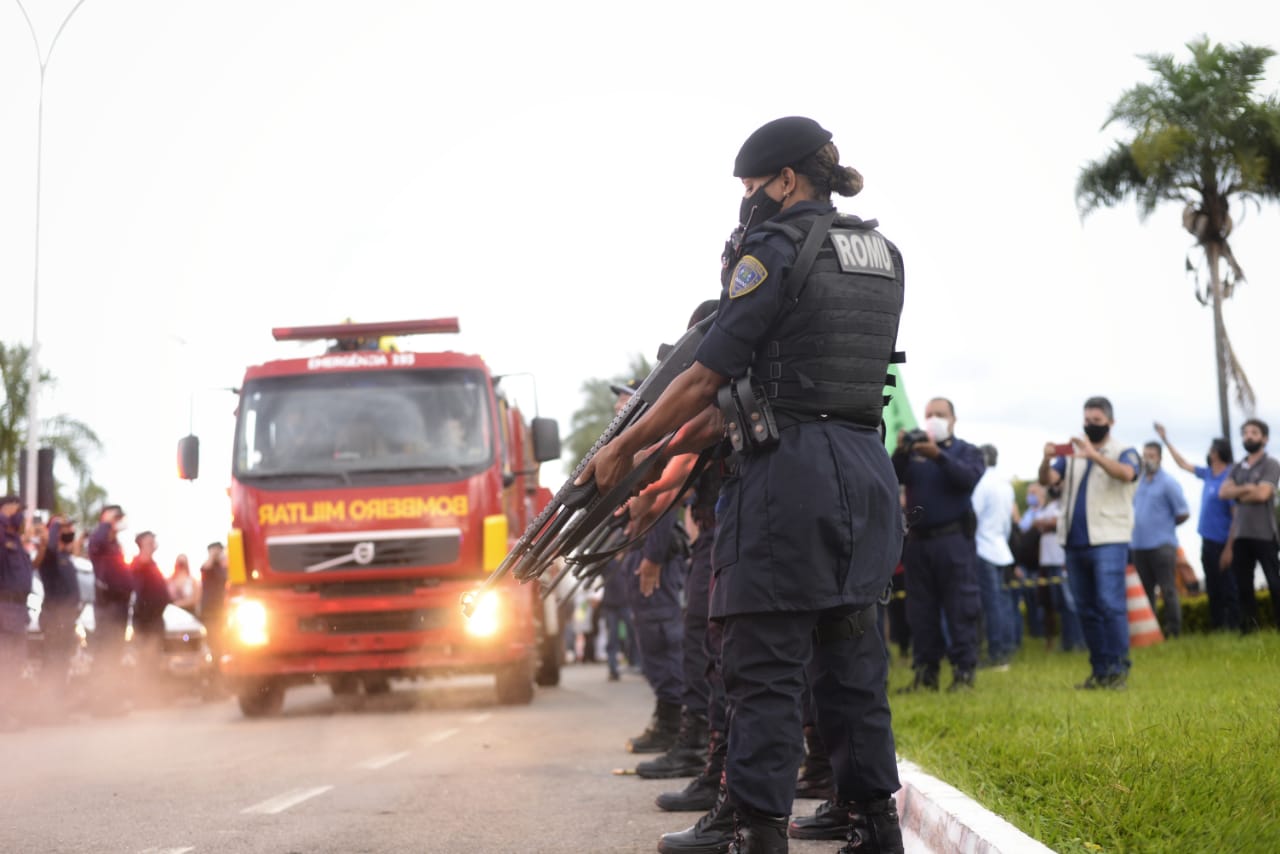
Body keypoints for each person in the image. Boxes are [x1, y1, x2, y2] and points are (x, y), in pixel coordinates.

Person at [586, 116, 906, 854]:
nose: (748, 200)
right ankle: (873, 823)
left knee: (762, 661)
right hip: (864, 469)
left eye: (752, 186)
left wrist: (627, 446)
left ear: (787, 179)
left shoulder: (772, 248)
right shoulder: (882, 254)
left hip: (788, 476)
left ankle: (756, 831)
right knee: (852, 662)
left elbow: (706, 376)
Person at [1039, 397, 1140, 690]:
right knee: (1086, 608)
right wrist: (1046, 458)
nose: (1089, 425)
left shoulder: (1124, 451)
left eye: (1096, 421)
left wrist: (1093, 454)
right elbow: (1048, 480)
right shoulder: (1071, 455)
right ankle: (1100, 671)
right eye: (1087, 420)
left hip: (1109, 539)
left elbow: (1126, 474)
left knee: (1110, 605)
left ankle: (1118, 670)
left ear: (1110, 422)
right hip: (1074, 540)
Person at [893, 398, 986, 692]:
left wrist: (938, 456)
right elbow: (891, 476)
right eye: (929, 414)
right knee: (920, 612)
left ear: (953, 419)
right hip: (918, 544)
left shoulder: (966, 451)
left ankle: (964, 672)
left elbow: (967, 478)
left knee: (960, 608)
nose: (933, 419)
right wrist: (901, 451)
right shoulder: (914, 454)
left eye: (940, 415)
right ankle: (926, 673)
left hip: (953, 540)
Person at [1155, 424, 1237, 630]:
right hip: (1208, 540)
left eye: (1211, 450)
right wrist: (1166, 440)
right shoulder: (1209, 474)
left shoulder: (1230, 477)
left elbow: (1236, 516)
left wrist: (1230, 548)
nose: (1208, 453)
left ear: (1217, 453)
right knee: (1213, 586)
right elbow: (1183, 464)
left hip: (1224, 541)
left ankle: (1234, 625)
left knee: (1229, 586)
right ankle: (1218, 626)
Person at [1219, 418, 1280, 634]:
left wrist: (1239, 491)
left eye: (1254, 432)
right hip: (1241, 534)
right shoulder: (1237, 466)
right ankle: (1250, 630)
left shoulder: (1271, 464)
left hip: (1265, 534)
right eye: (1245, 432)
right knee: (1244, 586)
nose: (1249, 436)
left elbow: (1264, 493)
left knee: (1275, 583)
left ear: (1264, 438)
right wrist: (1250, 489)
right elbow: (1223, 492)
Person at [1129, 442, 1191, 637]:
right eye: (1145, 455)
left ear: (1160, 458)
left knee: (1168, 589)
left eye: (1152, 455)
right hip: (1139, 545)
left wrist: (1163, 526)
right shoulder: (1137, 483)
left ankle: (1173, 631)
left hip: (1162, 545)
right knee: (1145, 591)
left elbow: (1183, 512)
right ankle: (1151, 632)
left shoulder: (1168, 483)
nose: (1148, 459)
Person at [1021, 484, 1084, 652]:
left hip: (1060, 560)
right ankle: (1067, 643)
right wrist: (1043, 523)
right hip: (1048, 562)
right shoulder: (1049, 506)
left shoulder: (1066, 503)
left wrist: (1042, 523)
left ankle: (1078, 642)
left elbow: (1057, 522)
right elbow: (1039, 523)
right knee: (1058, 605)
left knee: (1070, 603)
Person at [971, 443, 1017, 669]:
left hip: (983, 548)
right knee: (1003, 602)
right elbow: (1009, 521)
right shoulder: (1005, 484)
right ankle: (1007, 647)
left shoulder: (981, 483)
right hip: (1001, 548)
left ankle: (996, 653)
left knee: (991, 605)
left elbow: (973, 516)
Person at [33, 515, 83, 704]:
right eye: (65, 528)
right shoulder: (49, 557)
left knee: (62, 663)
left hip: (67, 619)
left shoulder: (66, 558)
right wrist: (54, 526)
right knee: (53, 662)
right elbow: (51, 548)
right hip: (54, 618)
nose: (70, 531)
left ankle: (58, 705)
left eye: (70, 528)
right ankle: (48, 705)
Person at [88, 504, 133, 713]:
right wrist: (107, 522)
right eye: (115, 517)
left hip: (120, 606)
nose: (118, 521)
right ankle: (100, 703)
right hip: (107, 606)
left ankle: (111, 701)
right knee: (104, 655)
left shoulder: (114, 544)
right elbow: (96, 542)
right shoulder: (100, 541)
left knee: (114, 655)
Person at [0, 495, 34, 729]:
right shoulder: (2, 535)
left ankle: (10, 712)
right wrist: (3, 517)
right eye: (18, 509)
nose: (20, 514)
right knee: (5, 664)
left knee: (15, 664)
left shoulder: (15, 540)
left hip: (18, 608)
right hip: (4, 607)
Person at [130, 531, 171, 677]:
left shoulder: (153, 565)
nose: (153, 543)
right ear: (142, 543)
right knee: (146, 660)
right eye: (150, 541)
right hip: (145, 622)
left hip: (156, 621)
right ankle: (143, 693)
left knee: (154, 661)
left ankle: (153, 692)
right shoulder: (138, 565)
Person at [200, 541, 229, 680]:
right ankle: (212, 680)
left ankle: (220, 679)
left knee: (221, 646)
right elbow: (206, 567)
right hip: (210, 614)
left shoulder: (221, 568)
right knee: (213, 646)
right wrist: (212, 555)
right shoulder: (208, 567)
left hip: (220, 612)